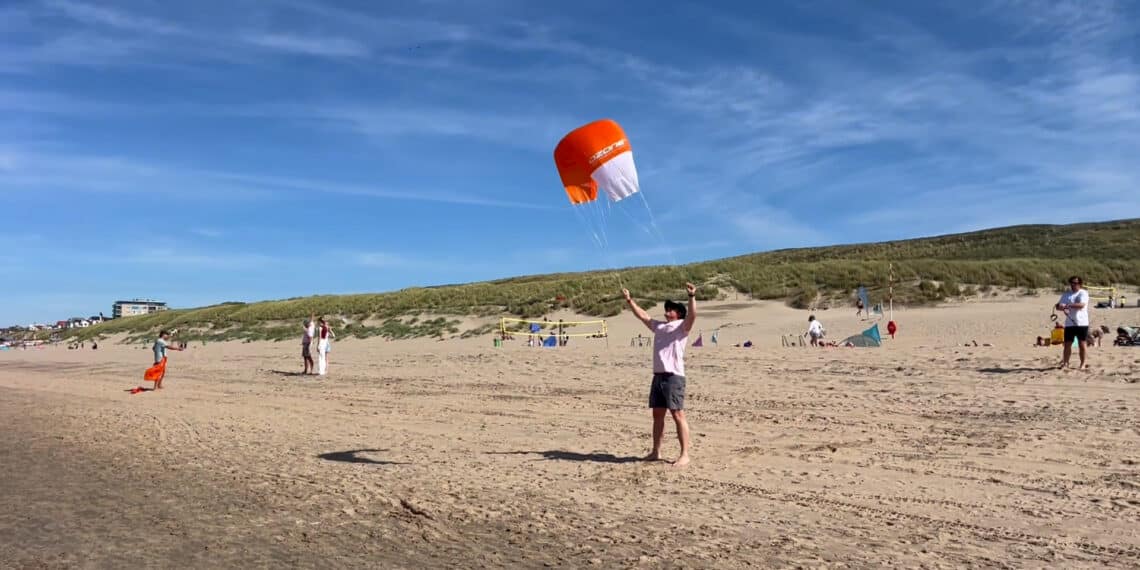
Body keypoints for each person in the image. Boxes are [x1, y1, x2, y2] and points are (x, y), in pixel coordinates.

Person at [622, 282, 697, 468]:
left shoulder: (682, 327)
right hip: (658, 376)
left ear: (678, 313)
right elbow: (643, 316)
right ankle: (656, 451)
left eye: (670, 309)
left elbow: (693, 316)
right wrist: (630, 300)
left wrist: (691, 297)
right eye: (667, 308)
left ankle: (685, 454)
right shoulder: (660, 327)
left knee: (678, 414)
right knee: (657, 415)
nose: (667, 311)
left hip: (673, 376)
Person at [1055, 276, 1090, 370]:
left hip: (1081, 323)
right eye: (1072, 283)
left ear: (1080, 284)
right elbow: (1058, 306)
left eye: (1075, 283)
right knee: (1067, 345)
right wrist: (1061, 307)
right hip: (1069, 323)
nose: (1073, 285)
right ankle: (1065, 363)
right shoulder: (1066, 294)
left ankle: (1082, 364)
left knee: (1082, 344)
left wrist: (1067, 305)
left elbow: (1081, 305)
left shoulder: (1083, 293)